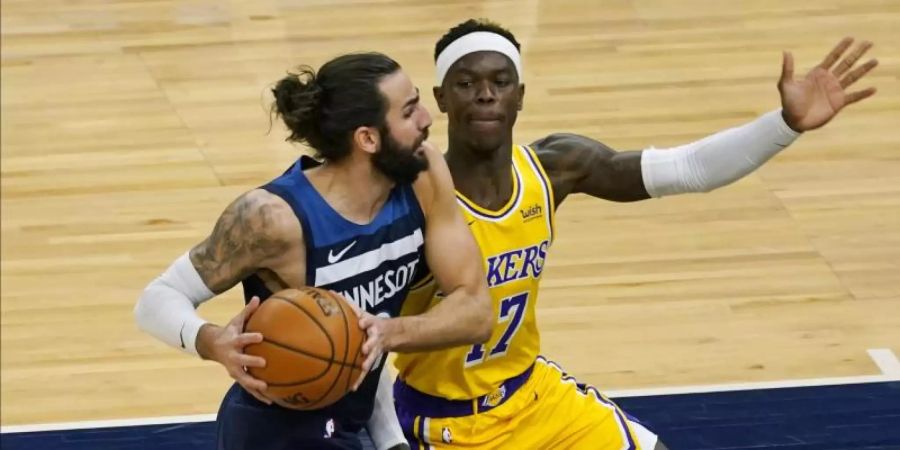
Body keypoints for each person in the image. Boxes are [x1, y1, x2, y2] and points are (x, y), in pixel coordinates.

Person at [390, 19, 878, 450]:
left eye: (500, 81)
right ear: (441, 99)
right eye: (466, 82)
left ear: (521, 95)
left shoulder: (554, 167)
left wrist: (785, 125)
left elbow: (686, 168)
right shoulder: (412, 202)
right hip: (446, 423)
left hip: (531, 394)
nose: (485, 94)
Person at [133, 51, 493, 450]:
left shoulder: (424, 176)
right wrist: (211, 341)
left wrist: (392, 438)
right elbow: (156, 300)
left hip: (345, 424)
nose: (427, 118)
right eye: (409, 112)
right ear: (368, 138)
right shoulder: (272, 218)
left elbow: (475, 312)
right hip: (273, 432)